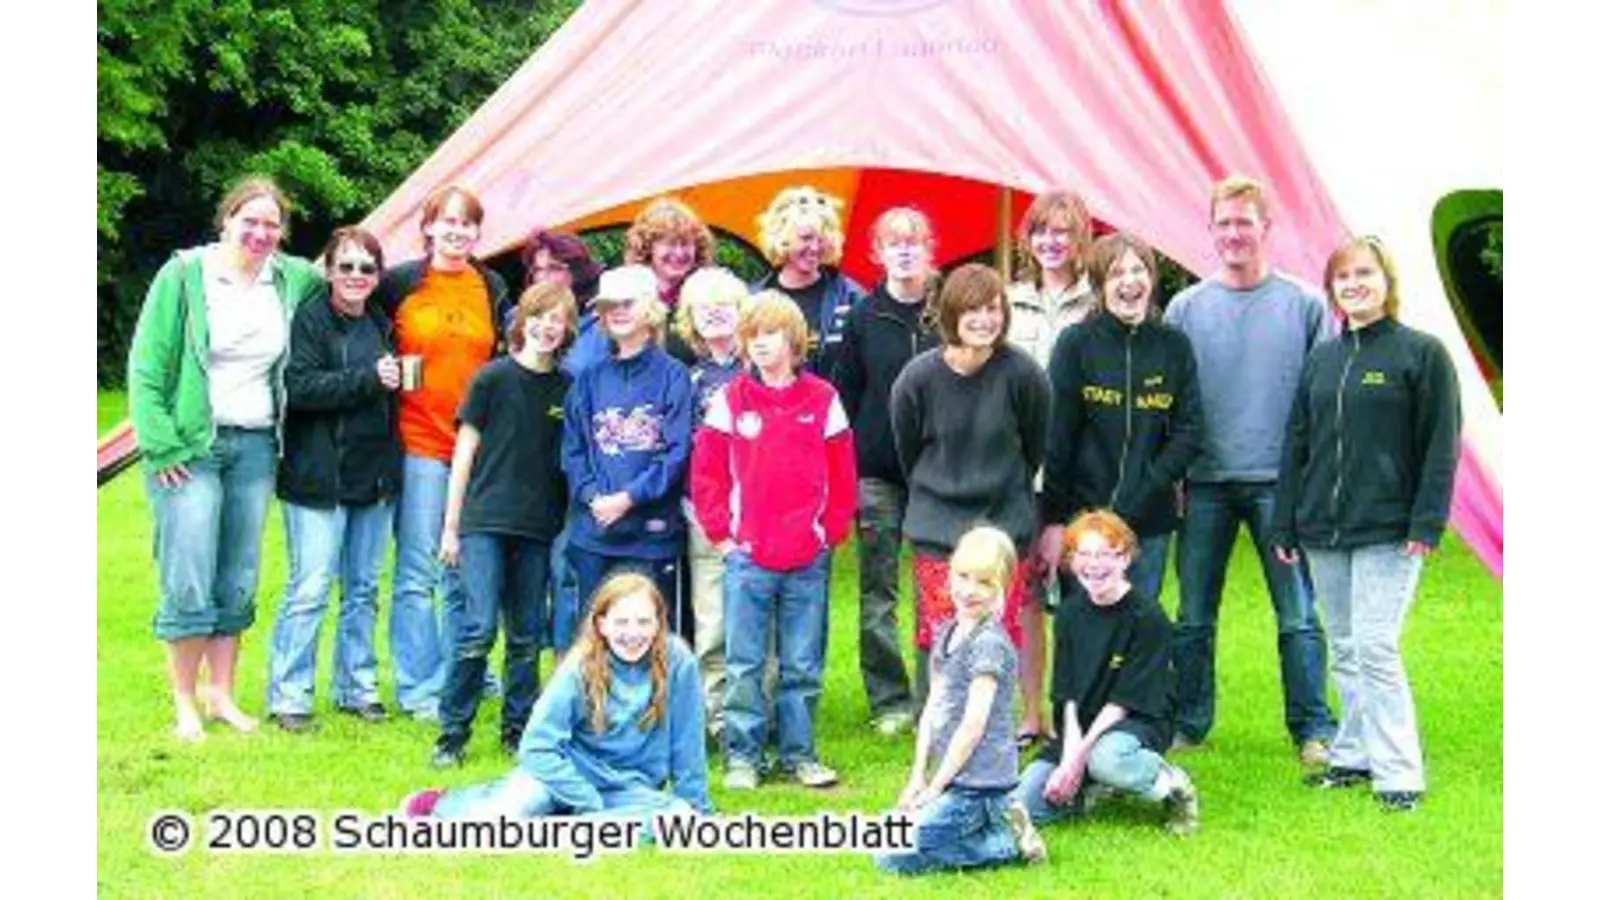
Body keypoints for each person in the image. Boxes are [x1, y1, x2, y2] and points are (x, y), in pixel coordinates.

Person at [128, 175, 323, 741]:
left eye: (272, 224)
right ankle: (185, 702)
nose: (261, 233)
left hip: (257, 445)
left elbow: (348, 274)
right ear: (227, 220)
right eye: (251, 221)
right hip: (191, 447)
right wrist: (161, 443)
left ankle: (222, 696)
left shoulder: (291, 278)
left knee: (238, 573)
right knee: (188, 570)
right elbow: (146, 365)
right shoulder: (186, 275)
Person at [1271, 236, 1461, 813]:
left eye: (1365, 274)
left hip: (1390, 529)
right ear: (1332, 289)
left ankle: (1400, 771)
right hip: (1323, 531)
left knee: (1376, 645)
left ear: (1386, 280)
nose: (1354, 284)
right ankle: (1352, 755)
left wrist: (1426, 522)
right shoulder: (1323, 360)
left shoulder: (1421, 355)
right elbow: (1297, 444)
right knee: (1347, 648)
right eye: (1343, 277)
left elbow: (1439, 446)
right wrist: (1285, 522)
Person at [1163, 174, 1338, 764]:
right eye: (1225, 223)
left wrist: (1309, 483)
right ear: (1210, 230)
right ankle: (1189, 721)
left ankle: (1312, 728)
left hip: (1278, 486)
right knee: (1191, 615)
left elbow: (1323, 402)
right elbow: (1172, 404)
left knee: (1296, 614)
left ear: (1267, 227)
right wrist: (1175, 478)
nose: (1234, 233)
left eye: (1245, 222)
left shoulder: (1305, 305)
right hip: (1204, 485)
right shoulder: (1185, 308)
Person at [692, 292, 858, 790]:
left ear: (794, 339)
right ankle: (742, 756)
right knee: (743, 661)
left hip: (807, 556)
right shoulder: (731, 401)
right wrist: (723, 536)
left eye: (771, 334)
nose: (761, 345)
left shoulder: (823, 399)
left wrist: (829, 532)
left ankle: (799, 754)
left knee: (802, 663)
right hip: (748, 557)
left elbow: (843, 477)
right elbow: (708, 476)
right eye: (753, 337)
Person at [400, 572, 712, 826]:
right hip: (563, 776)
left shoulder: (678, 661)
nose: (633, 633)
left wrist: (696, 808)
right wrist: (586, 800)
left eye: (644, 622)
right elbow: (536, 746)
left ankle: (578, 823)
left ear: (659, 623)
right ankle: (449, 801)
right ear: (602, 625)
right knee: (502, 816)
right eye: (622, 622)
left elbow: (688, 743)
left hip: (630, 789)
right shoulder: (580, 664)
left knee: (678, 818)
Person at [375, 184, 513, 722]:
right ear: (428, 226)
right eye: (446, 221)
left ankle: (470, 668)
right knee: (418, 570)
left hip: (475, 447)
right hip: (418, 442)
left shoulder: (491, 284)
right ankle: (418, 686)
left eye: (467, 223)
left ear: (478, 233)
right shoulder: (401, 284)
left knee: (465, 568)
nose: (456, 232)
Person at [889, 263, 1051, 705]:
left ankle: (992, 738)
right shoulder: (917, 379)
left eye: (994, 309)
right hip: (938, 529)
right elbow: (908, 452)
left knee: (995, 638)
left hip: (1003, 529)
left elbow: (1034, 448)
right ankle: (936, 727)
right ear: (951, 314)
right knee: (939, 638)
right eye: (973, 310)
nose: (985, 319)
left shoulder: (1024, 375)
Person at [432, 283, 578, 768]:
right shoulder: (491, 379)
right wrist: (451, 528)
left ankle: (518, 733)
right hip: (484, 523)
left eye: (556, 319)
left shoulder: (568, 389)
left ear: (567, 329)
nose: (546, 326)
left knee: (525, 635)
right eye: (538, 316)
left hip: (539, 528)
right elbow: (464, 454)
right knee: (477, 629)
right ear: (522, 322)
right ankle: (451, 735)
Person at [266, 226, 402, 733]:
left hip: (373, 477)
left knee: (364, 589)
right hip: (318, 479)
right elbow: (299, 387)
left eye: (367, 267)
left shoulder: (381, 323)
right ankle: (290, 695)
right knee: (311, 587)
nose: (356, 276)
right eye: (345, 266)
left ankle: (357, 687)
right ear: (327, 271)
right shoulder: (311, 319)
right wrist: (369, 380)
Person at [1038, 232, 1203, 603]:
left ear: (1151, 279)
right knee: (1083, 636)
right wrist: (1053, 521)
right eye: (1115, 274)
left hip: (1149, 523)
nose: (1129, 281)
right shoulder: (1076, 344)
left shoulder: (1173, 346)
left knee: (1138, 637)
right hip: (1084, 525)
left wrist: (1144, 491)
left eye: (1138, 270)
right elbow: (1056, 439)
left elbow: (1190, 432)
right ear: (1099, 285)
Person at [1013, 510, 1200, 836]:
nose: (1093, 564)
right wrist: (1070, 753)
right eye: (1083, 554)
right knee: (1026, 800)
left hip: (1135, 718)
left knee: (1107, 759)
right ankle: (1085, 791)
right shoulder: (1069, 613)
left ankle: (1173, 786)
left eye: (1104, 554)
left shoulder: (1147, 617)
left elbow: (1124, 701)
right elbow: (1067, 694)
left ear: (1125, 558)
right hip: (1082, 721)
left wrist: (1078, 759)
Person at [875, 526, 1047, 875]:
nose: (970, 590)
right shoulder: (947, 632)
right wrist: (918, 779)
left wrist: (936, 788)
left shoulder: (989, 646)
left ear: (1004, 586)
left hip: (978, 786)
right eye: (963, 576)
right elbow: (932, 710)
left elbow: (973, 726)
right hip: (951, 777)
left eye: (984, 582)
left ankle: (1007, 840)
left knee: (891, 857)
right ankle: (991, 824)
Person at [834, 206, 941, 737]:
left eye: (914, 242)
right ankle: (889, 700)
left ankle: (936, 692)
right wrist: (847, 471)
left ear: (929, 249)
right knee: (879, 591)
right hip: (876, 473)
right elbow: (846, 398)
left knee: (936, 586)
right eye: (893, 242)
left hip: (939, 472)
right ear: (877, 253)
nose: (904, 251)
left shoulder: (947, 313)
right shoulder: (862, 316)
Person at [1008, 190, 1098, 750]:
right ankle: (1030, 712)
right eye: (1041, 230)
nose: (1051, 241)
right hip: (1018, 472)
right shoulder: (1008, 302)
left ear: (1080, 238)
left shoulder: (1098, 304)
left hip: (1081, 472)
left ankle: (1078, 707)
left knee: (1082, 595)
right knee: (1025, 599)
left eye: (1062, 231)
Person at [561, 265, 693, 632]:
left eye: (627, 303)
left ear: (650, 308)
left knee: (653, 635)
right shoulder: (588, 379)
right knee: (593, 636)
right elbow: (574, 451)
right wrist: (594, 498)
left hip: (653, 535)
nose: (616, 311)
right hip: (596, 532)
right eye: (608, 304)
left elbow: (676, 452)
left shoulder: (674, 375)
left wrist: (629, 498)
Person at [520, 227, 604, 664]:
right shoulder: (522, 318)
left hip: (575, 469)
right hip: (526, 468)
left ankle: (566, 665)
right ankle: (523, 666)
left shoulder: (597, 323)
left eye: (558, 268)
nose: (548, 276)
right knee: (527, 575)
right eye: (539, 270)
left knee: (565, 570)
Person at [674, 267, 751, 741]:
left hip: (763, 511)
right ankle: (717, 716)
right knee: (713, 620)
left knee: (758, 620)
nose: (716, 314)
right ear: (691, 320)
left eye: (725, 303)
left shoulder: (761, 368)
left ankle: (757, 715)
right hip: (707, 513)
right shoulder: (688, 378)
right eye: (705, 307)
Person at [750, 186, 866, 380]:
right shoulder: (754, 300)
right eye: (806, 238)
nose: (814, 248)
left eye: (822, 240)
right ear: (782, 239)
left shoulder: (851, 298)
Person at [623, 197, 718, 364]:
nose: (679, 253)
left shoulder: (712, 294)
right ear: (647, 247)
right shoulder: (625, 295)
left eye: (686, 244)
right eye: (670, 244)